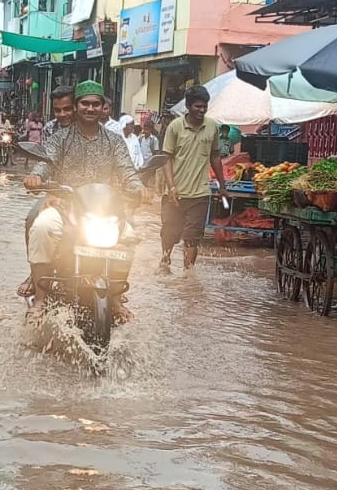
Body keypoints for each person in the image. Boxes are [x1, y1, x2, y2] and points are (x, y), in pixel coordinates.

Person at [23, 80, 147, 317]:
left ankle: (117, 298)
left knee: (130, 236)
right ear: (77, 106)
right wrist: (35, 177)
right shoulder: (59, 138)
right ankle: (40, 299)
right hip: (64, 207)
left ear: (103, 108)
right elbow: (44, 163)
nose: (90, 109)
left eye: (95, 104)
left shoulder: (115, 141)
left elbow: (128, 172)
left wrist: (140, 188)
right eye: (85, 103)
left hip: (103, 212)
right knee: (40, 227)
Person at [160, 84, 227, 273]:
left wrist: (222, 185)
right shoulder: (175, 127)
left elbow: (215, 156)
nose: (202, 109)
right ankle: (164, 263)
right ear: (188, 106)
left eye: (205, 105)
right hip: (175, 193)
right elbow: (166, 158)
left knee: (192, 237)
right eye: (198, 106)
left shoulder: (212, 126)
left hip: (200, 193)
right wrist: (171, 187)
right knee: (169, 233)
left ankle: (188, 275)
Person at [19, 88, 78, 298]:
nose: (62, 114)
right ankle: (35, 273)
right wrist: (37, 178)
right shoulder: (51, 129)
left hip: (90, 197)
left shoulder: (94, 130)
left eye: (67, 109)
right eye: (57, 110)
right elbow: (46, 161)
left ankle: (115, 288)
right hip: (57, 191)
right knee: (33, 218)